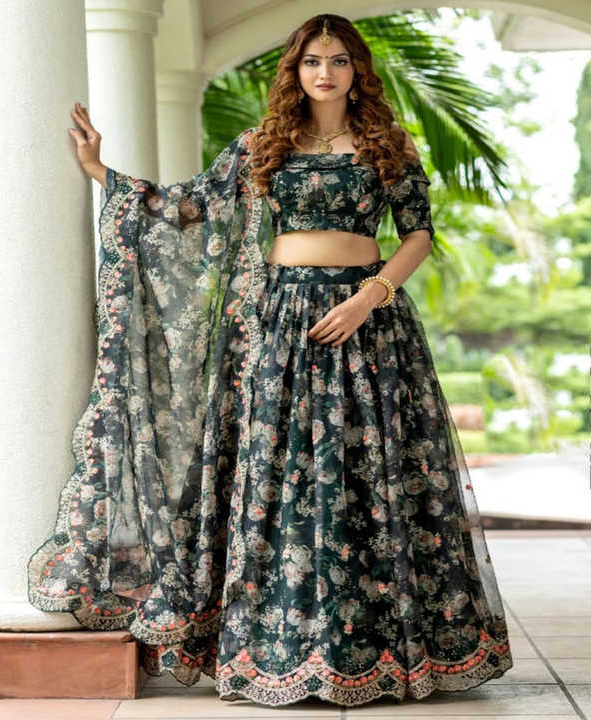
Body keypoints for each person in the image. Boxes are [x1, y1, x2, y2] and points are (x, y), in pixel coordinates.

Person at [27, 13, 513, 708]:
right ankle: (280, 647)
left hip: (368, 324)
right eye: (313, 60)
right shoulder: (264, 143)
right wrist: (103, 173)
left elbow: (417, 234)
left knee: (366, 472)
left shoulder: (389, 143)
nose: (325, 72)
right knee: (281, 475)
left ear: (357, 71)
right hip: (281, 323)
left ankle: (374, 649)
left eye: (338, 60)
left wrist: (369, 298)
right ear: (295, 70)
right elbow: (190, 210)